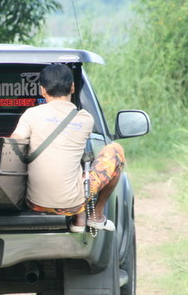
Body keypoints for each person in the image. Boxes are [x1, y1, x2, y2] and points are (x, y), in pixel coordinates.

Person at [10, 64, 125, 232]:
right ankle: (95, 216)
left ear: (42, 90)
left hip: (35, 204)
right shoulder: (85, 119)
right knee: (115, 150)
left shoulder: (31, 114)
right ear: (72, 87)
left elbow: (13, 144)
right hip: (72, 205)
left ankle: (81, 218)